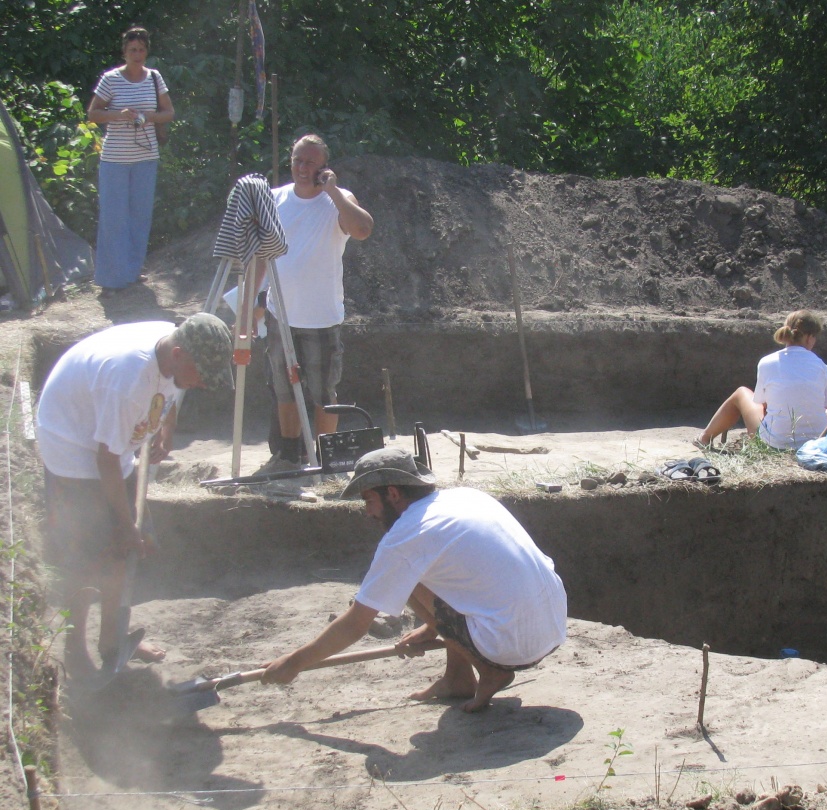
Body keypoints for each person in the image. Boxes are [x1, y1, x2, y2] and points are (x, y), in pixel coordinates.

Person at [261, 448, 567, 712]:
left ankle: (489, 670)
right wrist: (433, 626)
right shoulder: (467, 496)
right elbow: (474, 581)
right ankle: (457, 679)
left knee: (408, 577)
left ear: (392, 494)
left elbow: (357, 623)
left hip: (511, 645)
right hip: (553, 624)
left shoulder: (407, 535)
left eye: (369, 501)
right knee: (421, 573)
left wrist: (293, 664)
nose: (368, 513)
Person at [36, 314, 233, 678]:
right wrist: (126, 525)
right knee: (85, 559)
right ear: (178, 354)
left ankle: (112, 639)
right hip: (72, 448)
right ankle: (74, 648)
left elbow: (174, 391)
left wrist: (164, 427)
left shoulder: (171, 349)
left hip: (109, 444)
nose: (203, 383)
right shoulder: (127, 383)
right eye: (201, 373)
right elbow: (106, 460)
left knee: (122, 554)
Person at [255, 134, 374, 476]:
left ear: (324, 168)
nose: (302, 168)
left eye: (310, 163)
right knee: (283, 387)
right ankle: (289, 455)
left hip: (321, 317)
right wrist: (254, 302)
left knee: (323, 392)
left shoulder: (338, 202)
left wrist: (333, 191)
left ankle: (324, 457)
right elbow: (262, 254)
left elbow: (363, 229)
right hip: (281, 315)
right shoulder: (275, 199)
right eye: (297, 161)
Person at [87, 26, 174, 292]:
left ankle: (132, 271)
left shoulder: (154, 78)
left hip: (146, 157)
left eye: (142, 49)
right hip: (115, 159)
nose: (137, 54)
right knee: (114, 218)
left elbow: (169, 112)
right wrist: (118, 114)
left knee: (140, 216)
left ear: (147, 51)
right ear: (124, 52)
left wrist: (149, 116)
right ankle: (110, 279)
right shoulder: (111, 79)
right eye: (132, 50)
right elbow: (93, 113)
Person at [696, 310, 827, 449]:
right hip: (814, 444)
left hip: (774, 444)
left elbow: (762, 403)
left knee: (741, 393)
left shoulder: (767, 362)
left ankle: (704, 438)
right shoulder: (820, 365)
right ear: (809, 337)